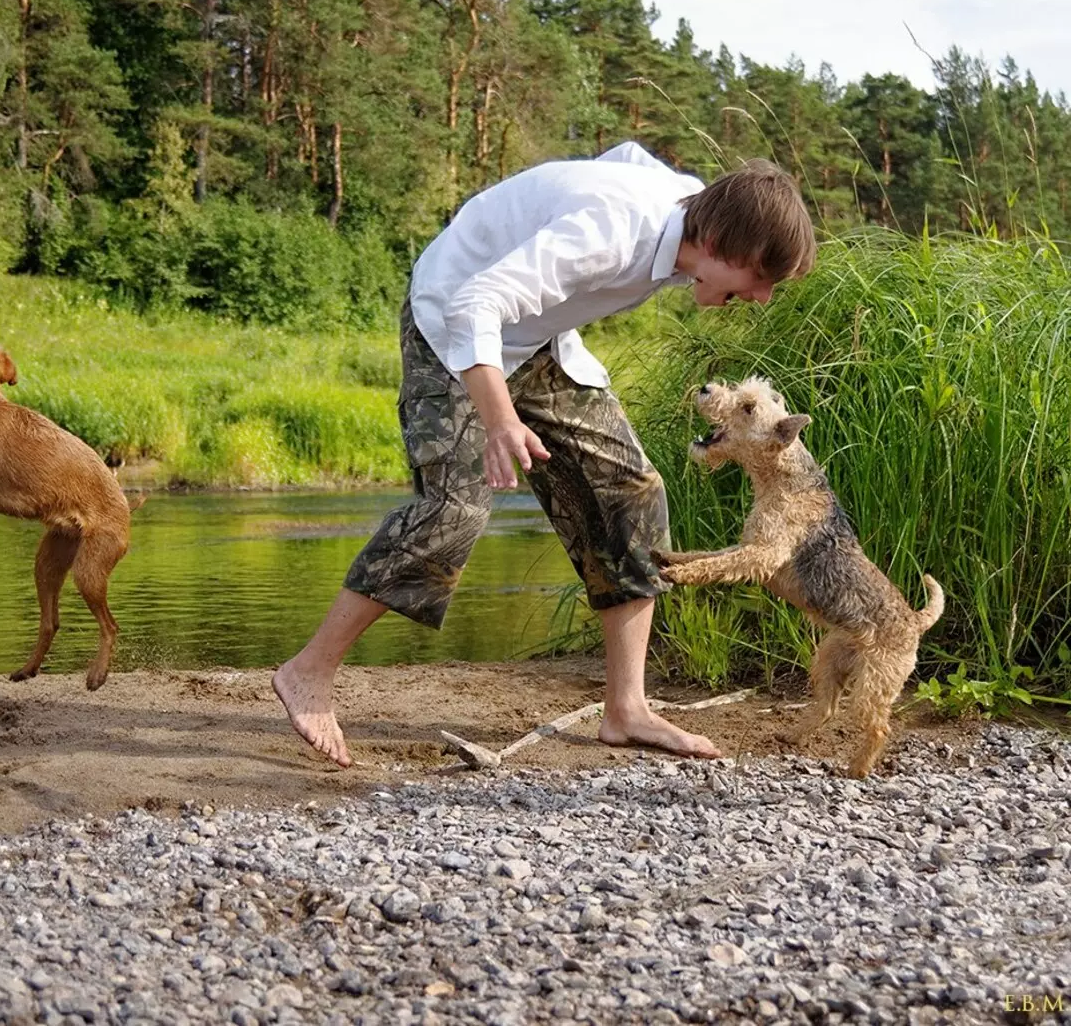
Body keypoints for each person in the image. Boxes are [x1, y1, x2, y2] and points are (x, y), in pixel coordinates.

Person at [273, 141, 817, 768]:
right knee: (455, 511)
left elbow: (628, 155)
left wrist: (539, 203)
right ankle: (307, 671)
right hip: (454, 319)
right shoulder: (611, 234)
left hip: (534, 338)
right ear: (726, 244)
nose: (761, 298)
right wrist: (499, 419)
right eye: (761, 281)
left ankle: (627, 709)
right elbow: (477, 302)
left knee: (632, 490)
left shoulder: (688, 208)